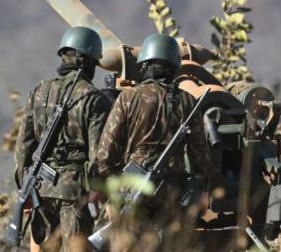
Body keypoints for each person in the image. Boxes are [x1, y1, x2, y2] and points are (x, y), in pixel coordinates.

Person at [91, 33, 213, 250]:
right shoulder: (187, 101)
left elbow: (106, 152)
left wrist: (107, 192)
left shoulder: (127, 98)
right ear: (174, 65)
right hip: (172, 193)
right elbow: (200, 156)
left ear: (144, 63)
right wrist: (203, 192)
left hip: (131, 187)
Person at [14, 26, 109, 252]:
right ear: (88, 60)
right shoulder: (93, 98)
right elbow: (99, 155)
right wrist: (98, 187)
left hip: (40, 189)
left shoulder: (40, 90)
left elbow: (23, 147)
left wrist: (24, 187)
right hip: (75, 192)